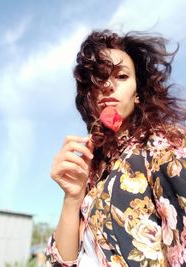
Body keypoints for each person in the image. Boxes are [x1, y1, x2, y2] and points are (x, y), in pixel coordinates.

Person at [46, 30, 186, 266]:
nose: (108, 85)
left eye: (121, 76)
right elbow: (63, 262)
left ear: (138, 93)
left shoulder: (164, 143)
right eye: (99, 78)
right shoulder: (91, 168)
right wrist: (72, 197)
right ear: (88, 93)